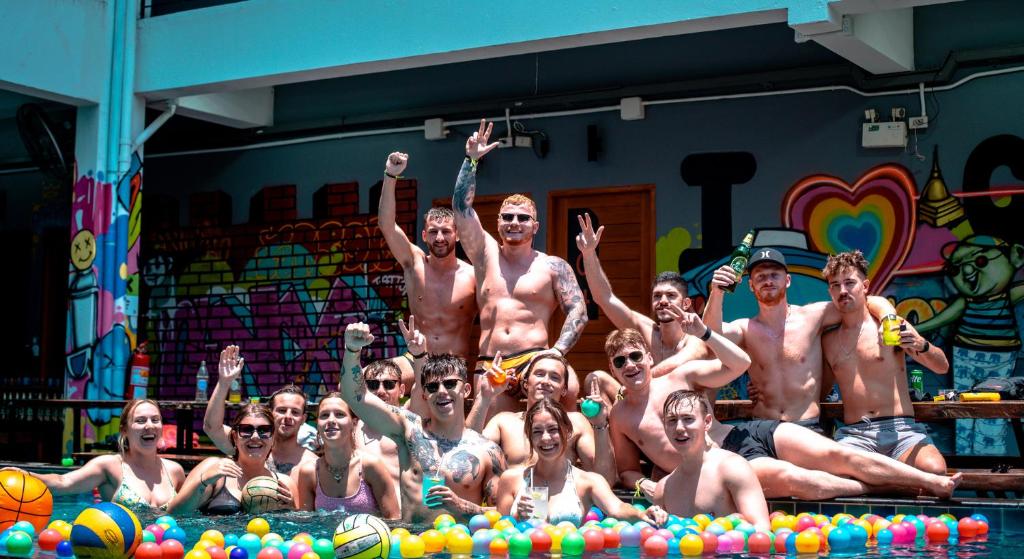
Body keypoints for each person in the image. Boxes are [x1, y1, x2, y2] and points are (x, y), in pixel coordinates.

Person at [607, 329, 961, 500]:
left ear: (649, 358)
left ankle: (932, 483)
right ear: (613, 368)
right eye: (621, 361)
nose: (630, 365)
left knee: (838, 454)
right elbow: (626, 470)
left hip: (746, 433)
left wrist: (706, 333)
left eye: (636, 356)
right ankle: (884, 488)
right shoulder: (619, 416)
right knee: (798, 480)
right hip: (722, 464)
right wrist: (644, 484)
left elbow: (739, 363)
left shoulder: (680, 376)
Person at [452, 119, 587, 417]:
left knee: (570, 387)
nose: (514, 223)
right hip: (492, 361)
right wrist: (471, 160)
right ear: (498, 223)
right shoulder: (484, 254)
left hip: (536, 359)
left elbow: (578, 311)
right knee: (493, 434)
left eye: (523, 218)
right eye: (508, 217)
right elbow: (461, 208)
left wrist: (558, 352)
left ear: (535, 226)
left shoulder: (552, 266)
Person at [703, 247, 896, 432]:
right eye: (760, 276)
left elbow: (861, 302)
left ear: (787, 280)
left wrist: (887, 315)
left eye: (774, 275)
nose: (768, 281)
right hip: (762, 427)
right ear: (751, 285)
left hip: (807, 426)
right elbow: (709, 337)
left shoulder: (813, 316)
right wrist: (717, 292)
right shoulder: (744, 328)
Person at [339, 322, 506, 523]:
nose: (442, 391)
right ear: (425, 395)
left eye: (450, 383)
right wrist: (352, 350)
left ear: (467, 390)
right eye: (433, 387)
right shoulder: (409, 429)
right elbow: (354, 396)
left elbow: (505, 515)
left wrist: (462, 505)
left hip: (460, 549)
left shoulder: (488, 450)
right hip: (411, 545)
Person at [821, 250, 951, 474]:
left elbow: (941, 366)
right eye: (835, 285)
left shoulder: (891, 326)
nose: (842, 290)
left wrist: (922, 345)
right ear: (830, 291)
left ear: (865, 286)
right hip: (855, 434)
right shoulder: (828, 340)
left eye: (850, 282)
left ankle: (881, 478)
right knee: (833, 476)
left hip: (901, 430)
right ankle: (894, 478)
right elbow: (820, 390)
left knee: (935, 469)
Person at [575, 214, 711, 403]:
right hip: (645, 409)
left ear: (686, 303)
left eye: (671, 296)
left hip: (684, 415)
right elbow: (604, 298)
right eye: (657, 296)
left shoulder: (697, 337)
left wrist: (630, 384)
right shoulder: (646, 330)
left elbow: (676, 365)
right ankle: (608, 430)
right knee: (595, 379)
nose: (663, 300)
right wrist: (589, 253)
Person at [378, 151, 477, 397]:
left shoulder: (473, 275)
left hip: (455, 365)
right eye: (433, 232)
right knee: (373, 379)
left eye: (445, 231)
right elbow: (387, 225)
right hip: (416, 358)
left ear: (457, 234)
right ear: (424, 236)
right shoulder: (414, 264)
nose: (440, 238)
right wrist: (391, 175)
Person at [495, 399, 666, 526]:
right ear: (529, 437)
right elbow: (500, 533)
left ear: (568, 432)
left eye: (553, 429)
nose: (546, 438)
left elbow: (618, 509)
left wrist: (643, 514)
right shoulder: (511, 479)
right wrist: (517, 519)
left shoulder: (588, 481)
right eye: (537, 432)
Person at [5, 399, 185, 516]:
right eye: (140, 421)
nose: (149, 426)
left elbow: (191, 513)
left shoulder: (174, 471)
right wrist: (27, 476)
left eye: (155, 420)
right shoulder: (109, 466)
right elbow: (63, 482)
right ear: (124, 429)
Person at [468, 354, 616, 483]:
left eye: (554, 377)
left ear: (564, 389)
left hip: (559, 508)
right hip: (513, 508)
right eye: (539, 374)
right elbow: (467, 453)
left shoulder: (576, 423)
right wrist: (484, 398)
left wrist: (601, 425)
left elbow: (605, 480)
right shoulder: (503, 422)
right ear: (525, 383)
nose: (546, 381)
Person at [653, 390, 769, 531]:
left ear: (707, 422)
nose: (679, 428)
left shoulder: (732, 467)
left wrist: (714, 532)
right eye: (672, 420)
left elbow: (762, 529)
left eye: (688, 419)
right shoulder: (663, 489)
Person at [204, 345, 317, 477]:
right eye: (281, 410)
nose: (288, 416)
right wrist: (224, 382)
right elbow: (211, 427)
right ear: (270, 413)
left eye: (295, 412)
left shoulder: (312, 464)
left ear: (303, 419)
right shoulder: (250, 445)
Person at [168, 403, 298, 514]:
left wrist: (291, 511)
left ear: (273, 438)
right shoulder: (214, 469)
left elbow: (298, 530)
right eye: (246, 429)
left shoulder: (285, 483)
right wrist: (203, 482)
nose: (255, 436)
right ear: (235, 437)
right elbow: (173, 514)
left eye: (264, 430)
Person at [294, 393, 399, 517]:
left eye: (339, 414)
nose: (331, 420)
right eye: (324, 415)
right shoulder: (309, 472)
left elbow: (393, 519)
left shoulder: (370, 467)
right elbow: (306, 525)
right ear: (318, 424)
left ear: (354, 423)